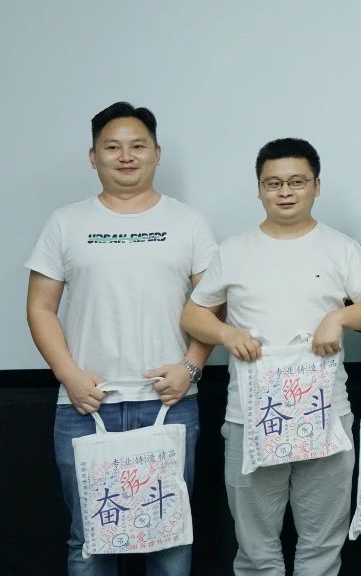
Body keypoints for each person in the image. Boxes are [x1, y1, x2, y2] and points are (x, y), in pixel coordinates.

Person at [181, 138, 361, 576]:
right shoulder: (234, 250)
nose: (285, 192)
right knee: (255, 549)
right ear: (259, 189)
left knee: (322, 544)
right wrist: (225, 333)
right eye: (273, 183)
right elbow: (193, 314)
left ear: (316, 186)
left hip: (325, 414)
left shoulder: (339, 247)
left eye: (297, 182)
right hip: (250, 415)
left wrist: (339, 317)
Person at [26, 101, 217, 576]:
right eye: (112, 147)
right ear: (94, 157)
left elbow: (213, 304)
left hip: (169, 402)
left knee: (170, 539)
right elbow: (41, 306)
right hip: (85, 405)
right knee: (89, 540)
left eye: (138, 146)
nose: (126, 156)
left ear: (157, 153)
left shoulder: (188, 222)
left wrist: (191, 367)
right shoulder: (65, 222)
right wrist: (69, 376)